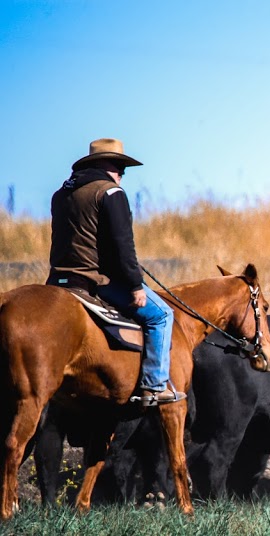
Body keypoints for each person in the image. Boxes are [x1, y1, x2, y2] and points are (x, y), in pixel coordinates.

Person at [47, 138, 184, 405]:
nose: (122, 174)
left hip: (57, 282)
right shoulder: (110, 193)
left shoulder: (61, 194)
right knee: (162, 315)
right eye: (120, 167)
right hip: (95, 281)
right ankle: (154, 386)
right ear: (106, 165)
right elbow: (123, 244)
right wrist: (135, 284)